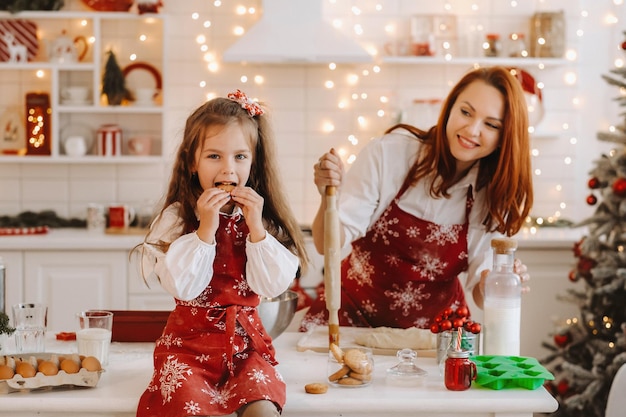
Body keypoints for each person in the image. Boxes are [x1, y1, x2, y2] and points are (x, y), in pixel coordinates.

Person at [300, 66, 532, 331]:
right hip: (350, 321)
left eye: (491, 125)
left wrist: (494, 282)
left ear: (505, 137)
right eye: (465, 112)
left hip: (435, 336)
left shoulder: (492, 194)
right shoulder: (389, 154)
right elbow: (325, 244)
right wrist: (327, 199)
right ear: (450, 108)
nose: (472, 129)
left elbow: (480, 295)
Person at [135, 90, 308, 417]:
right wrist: (205, 230)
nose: (228, 168)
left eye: (240, 157)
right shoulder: (177, 217)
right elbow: (183, 287)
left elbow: (273, 287)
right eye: (214, 156)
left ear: (253, 162)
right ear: (192, 161)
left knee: (264, 410)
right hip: (187, 350)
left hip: (245, 350)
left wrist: (257, 230)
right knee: (188, 407)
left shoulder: (260, 220)